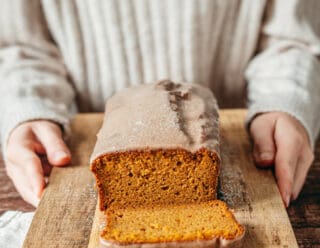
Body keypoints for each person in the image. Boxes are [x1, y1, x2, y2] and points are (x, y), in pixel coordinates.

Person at [0, 0, 319, 208]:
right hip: (80, 140)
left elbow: (291, 38)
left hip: (242, 138)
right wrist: (28, 104)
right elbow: (21, 47)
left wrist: (284, 99)